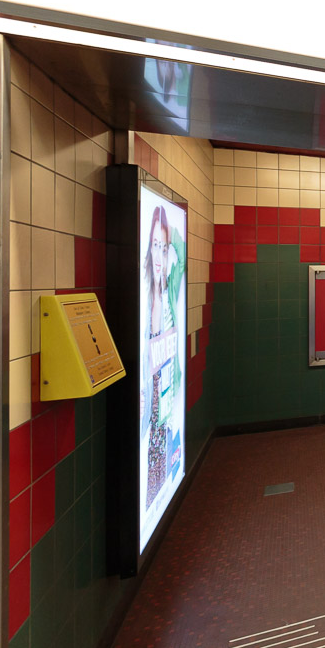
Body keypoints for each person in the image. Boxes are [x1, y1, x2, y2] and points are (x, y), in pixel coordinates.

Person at [142, 206, 177, 508]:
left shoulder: (167, 301)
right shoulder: (143, 298)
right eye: (154, 245)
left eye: (163, 247)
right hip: (145, 411)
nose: (158, 254)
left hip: (162, 408)